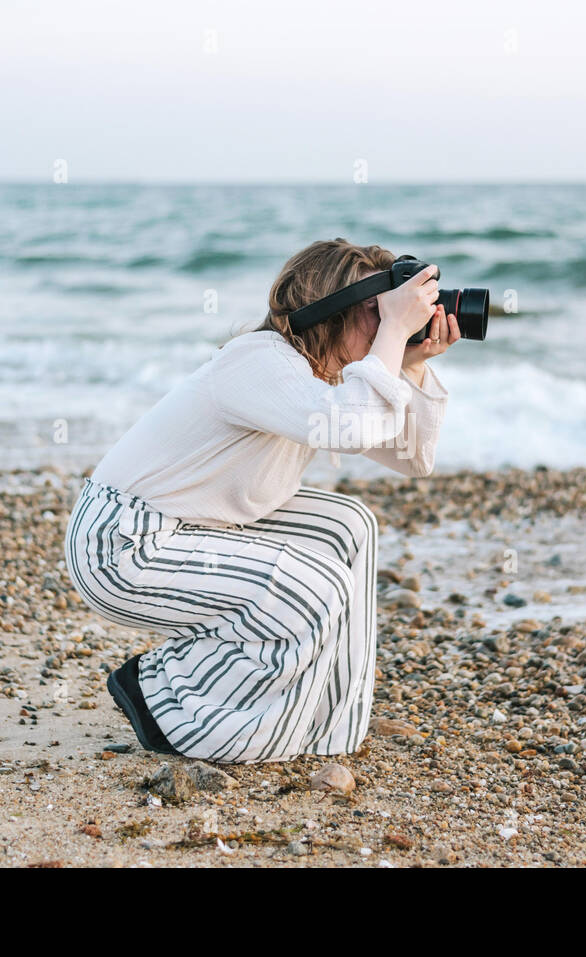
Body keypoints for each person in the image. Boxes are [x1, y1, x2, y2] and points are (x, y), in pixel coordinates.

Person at [63, 238, 459, 764]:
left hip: (192, 527)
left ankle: (328, 729)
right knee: (318, 589)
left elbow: (412, 457)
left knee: (349, 526)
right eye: (377, 309)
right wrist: (390, 337)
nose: (395, 319)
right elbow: (348, 425)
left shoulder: (323, 376)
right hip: (122, 545)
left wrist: (407, 361)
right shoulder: (256, 360)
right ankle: (165, 695)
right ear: (331, 311)